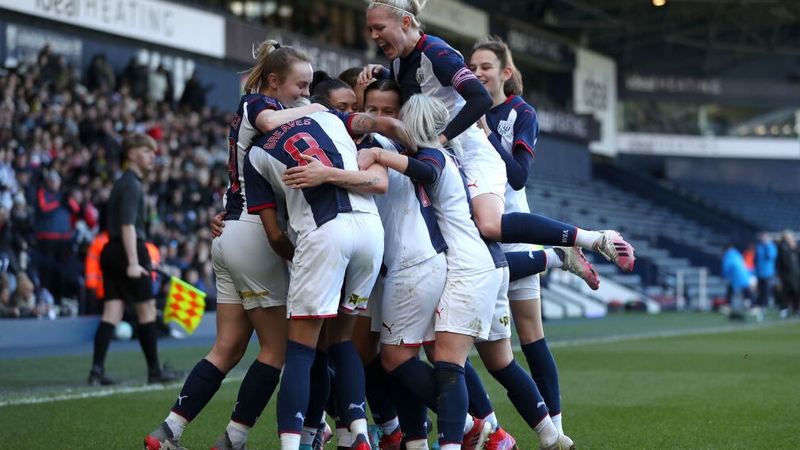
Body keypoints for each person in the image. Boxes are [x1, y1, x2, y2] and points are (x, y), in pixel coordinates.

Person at [357, 94, 575, 450]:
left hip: (464, 268)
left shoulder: (432, 156)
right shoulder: (455, 157)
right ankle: (548, 436)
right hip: (488, 264)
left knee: (446, 364)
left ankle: (468, 436)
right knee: (498, 361)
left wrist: (379, 154)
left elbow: (427, 171)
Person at [357, 0, 635, 274]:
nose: (373, 35)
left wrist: (442, 138)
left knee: (489, 225)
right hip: (444, 159)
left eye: (379, 27)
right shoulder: (397, 63)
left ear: (405, 22)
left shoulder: (436, 52)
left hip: (471, 153)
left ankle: (593, 239)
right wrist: (382, 73)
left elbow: (480, 98)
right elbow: (419, 90)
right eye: (370, 29)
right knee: (458, 249)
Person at [145, 41, 319, 450]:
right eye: (301, 85)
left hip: (233, 233)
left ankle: (168, 432)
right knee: (277, 350)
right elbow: (271, 123)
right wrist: (317, 110)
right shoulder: (259, 103)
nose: (306, 94)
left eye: (310, 87)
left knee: (228, 347)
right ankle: (234, 439)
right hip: (254, 234)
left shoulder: (266, 108)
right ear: (273, 81)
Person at [246, 108, 389, 450]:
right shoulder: (330, 119)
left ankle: (291, 445)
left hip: (323, 233)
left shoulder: (255, 154)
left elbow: (275, 235)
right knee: (341, 339)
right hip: (371, 231)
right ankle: (358, 433)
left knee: (300, 349)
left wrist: (304, 260)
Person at [469, 35, 574, 437]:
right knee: (471, 344)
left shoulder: (521, 113)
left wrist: (486, 135)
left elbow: (518, 177)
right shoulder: (461, 108)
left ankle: (556, 431)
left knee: (531, 336)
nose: (477, 73)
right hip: (473, 233)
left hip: (514, 228)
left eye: (486, 67)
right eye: (472, 67)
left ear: (505, 73)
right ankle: (485, 426)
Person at [88, 133, 182, 386]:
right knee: (147, 310)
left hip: (112, 249)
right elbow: (128, 226)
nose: (152, 156)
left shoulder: (123, 182)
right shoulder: (132, 184)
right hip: (128, 249)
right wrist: (133, 261)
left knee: (112, 311)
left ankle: (96, 371)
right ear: (132, 154)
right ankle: (154, 371)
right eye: (146, 151)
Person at [721, 243, 753, 321]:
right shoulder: (737, 254)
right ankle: (752, 305)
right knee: (746, 291)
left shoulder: (728, 256)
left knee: (730, 290)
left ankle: (728, 306)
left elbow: (726, 267)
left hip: (736, 276)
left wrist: (723, 275)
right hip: (744, 275)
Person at [776, 229, 800, 317]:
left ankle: (796, 308)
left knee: (796, 291)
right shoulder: (782, 247)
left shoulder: (795, 248)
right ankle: (784, 308)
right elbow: (783, 261)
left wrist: (795, 249)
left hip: (796, 273)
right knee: (786, 292)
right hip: (786, 274)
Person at [754, 232, 778, 321]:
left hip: (768, 272)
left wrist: (767, 244)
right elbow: (756, 259)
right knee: (760, 292)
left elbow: (771, 256)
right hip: (759, 272)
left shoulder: (771, 246)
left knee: (767, 290)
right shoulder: (759, 246)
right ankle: (761, 307)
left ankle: (767, 305)